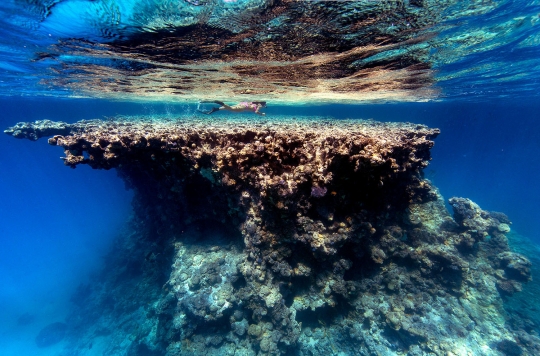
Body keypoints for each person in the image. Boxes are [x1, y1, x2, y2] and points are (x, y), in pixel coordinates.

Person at [197, 100, 267, 115]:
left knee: (229, 107)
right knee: (231, 109)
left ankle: (216, 109)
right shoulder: (259, 105)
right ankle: (219, 102)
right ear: (263, 104)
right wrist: (262, 114)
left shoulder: (254, 102)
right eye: (265, 105)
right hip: (243, 107)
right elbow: (256, 112)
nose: (264, 106)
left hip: (242, 103)